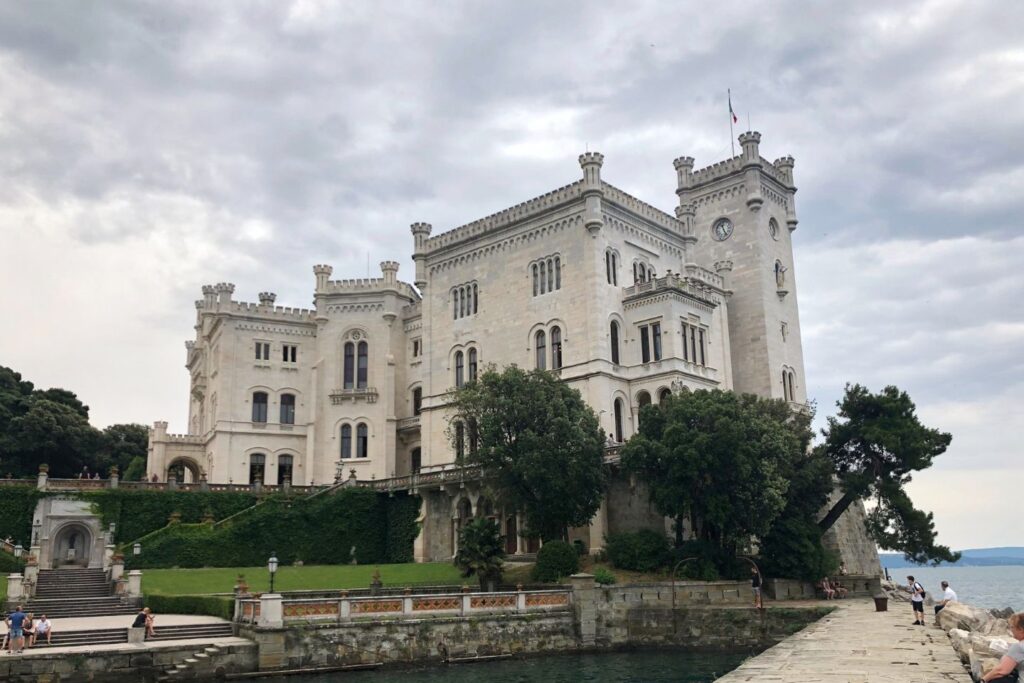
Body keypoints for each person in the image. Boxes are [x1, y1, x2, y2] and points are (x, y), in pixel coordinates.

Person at [980, 612, 1024, 682]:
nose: (1011, 630)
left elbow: (1000, 671)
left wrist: (983, 680)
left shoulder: (1018, 647)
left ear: (1021, 629)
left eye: (1012, 627)